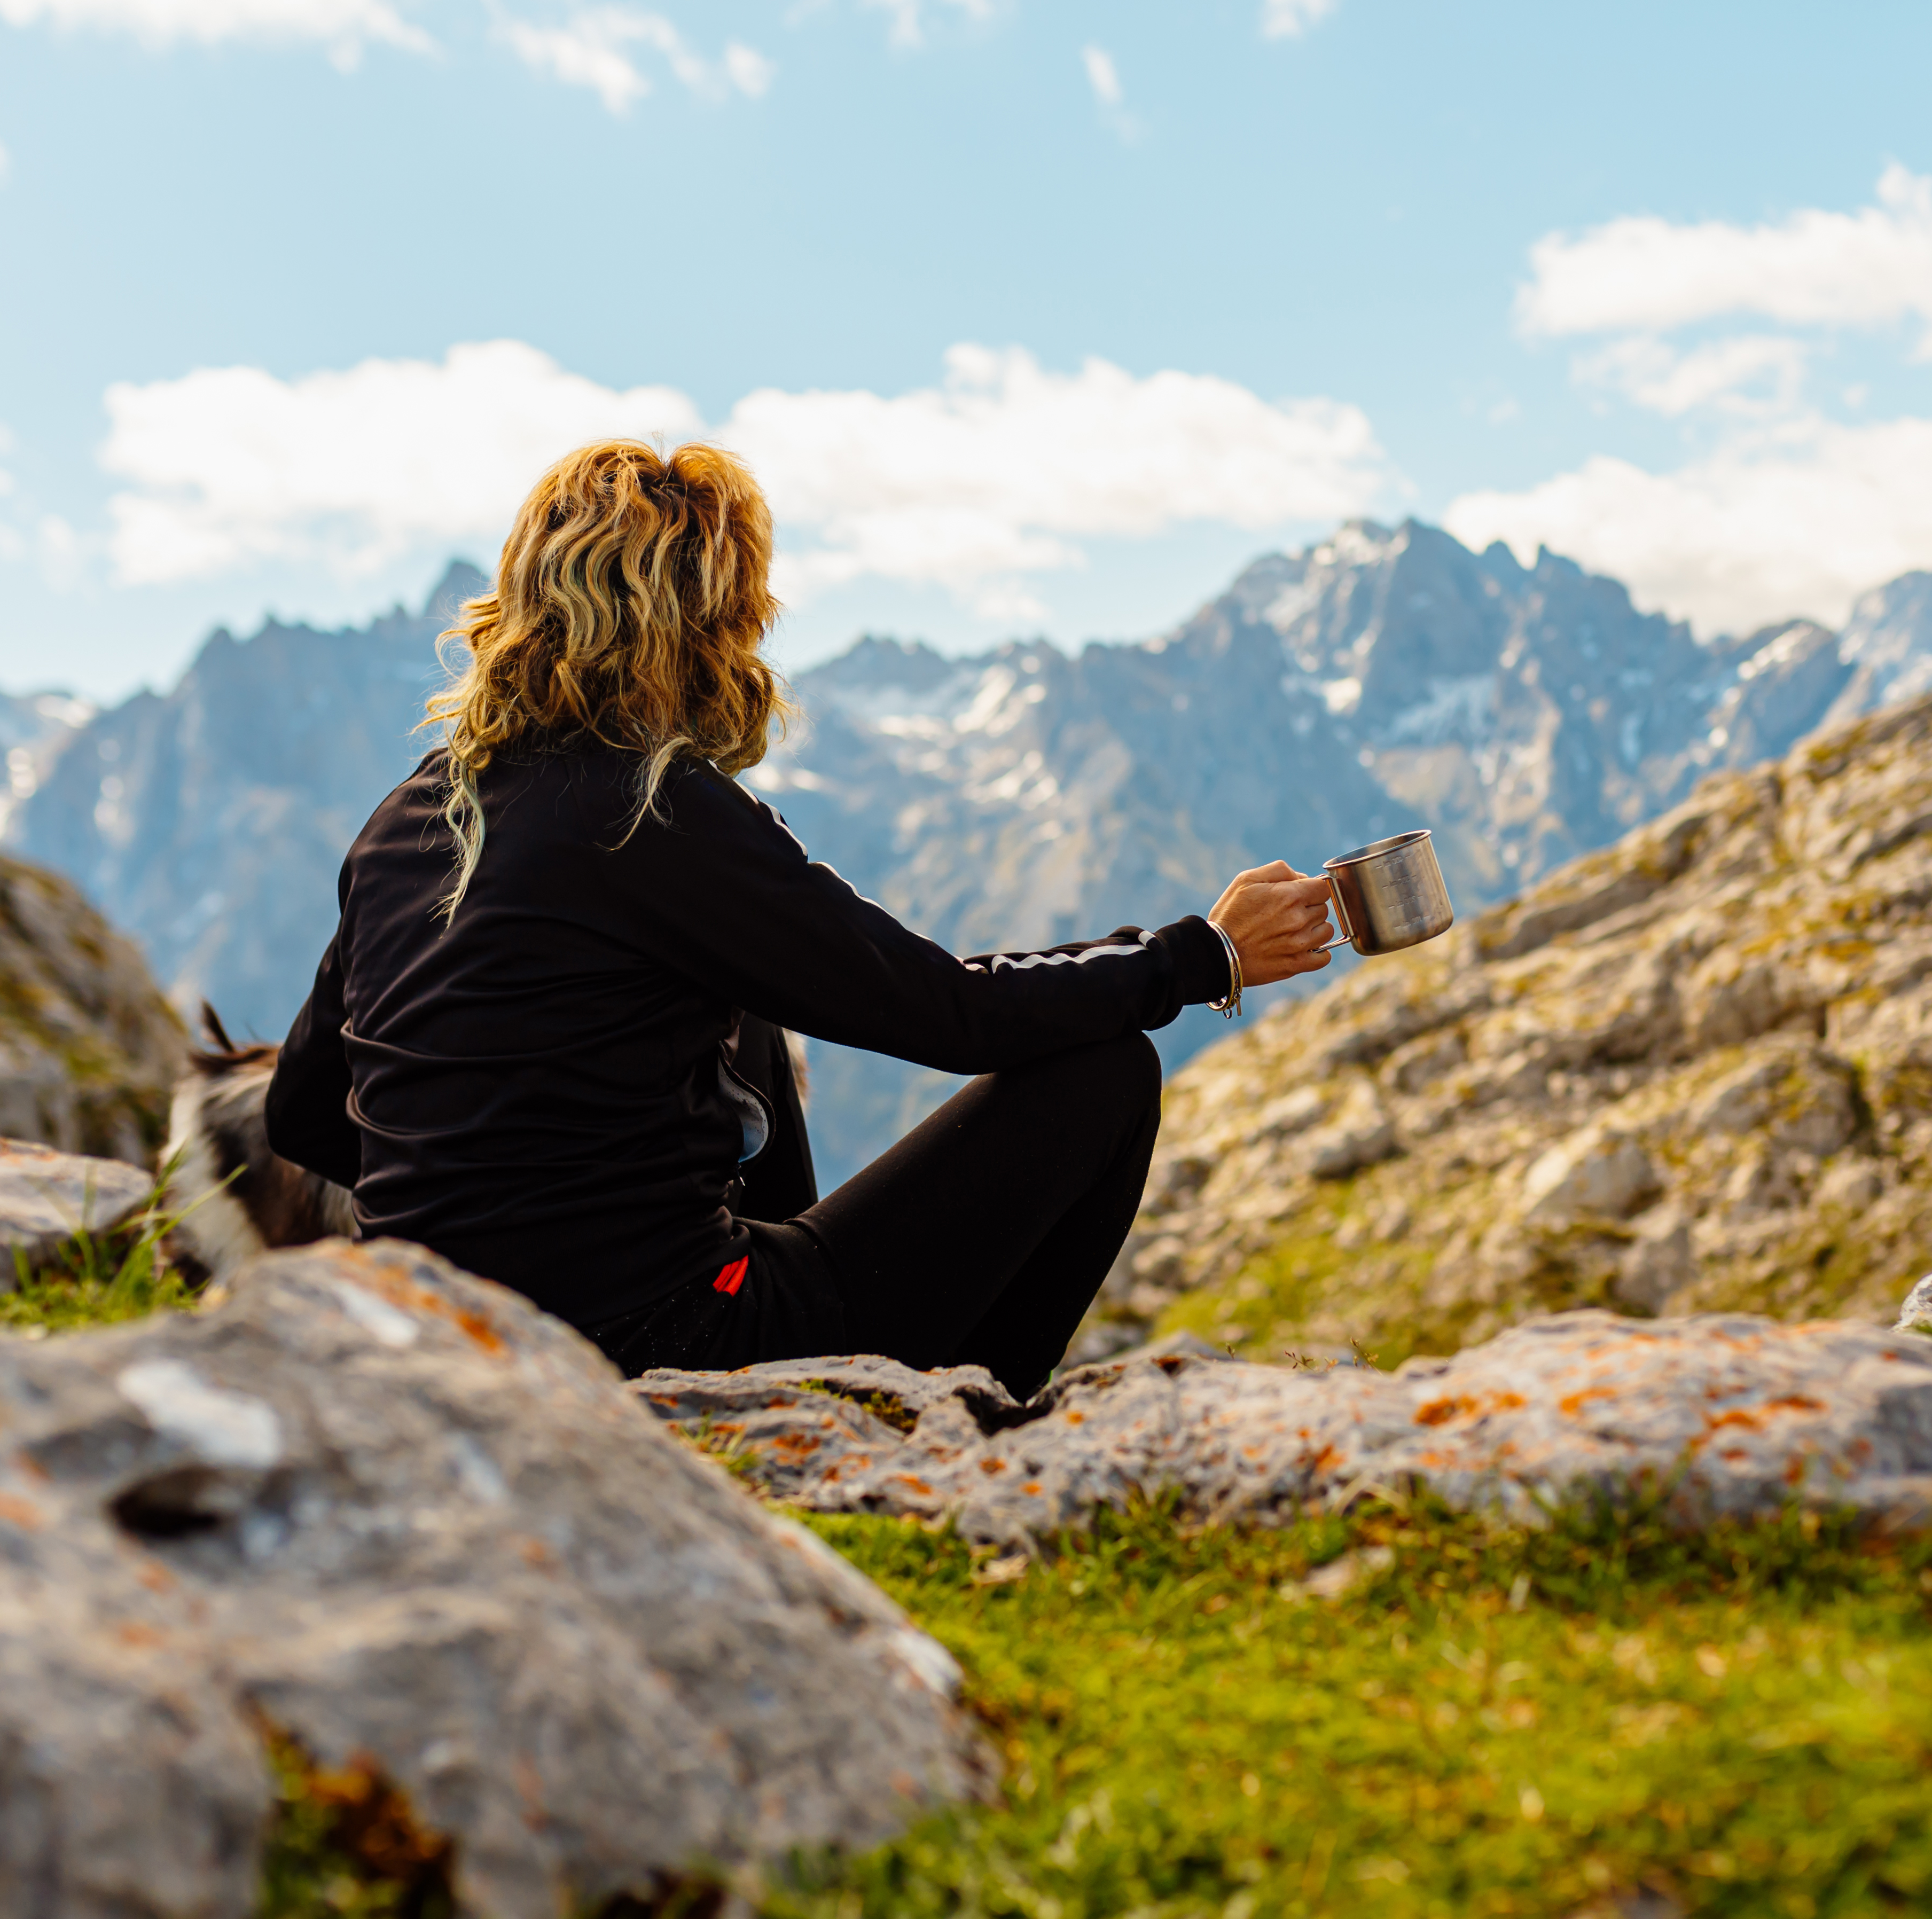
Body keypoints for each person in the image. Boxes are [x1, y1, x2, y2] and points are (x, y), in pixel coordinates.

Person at [264, 437, 1339, 1396]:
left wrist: (492, 1216)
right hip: (662, 1341)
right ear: (702, 631)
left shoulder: (408, 816)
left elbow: (304, 1115)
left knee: (749, 1019)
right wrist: (1204, 954)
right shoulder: (656, 809)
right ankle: (951, 1422)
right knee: (1103, 1079)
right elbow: (945, 1011)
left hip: (442, 1345)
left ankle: (848, 1361)